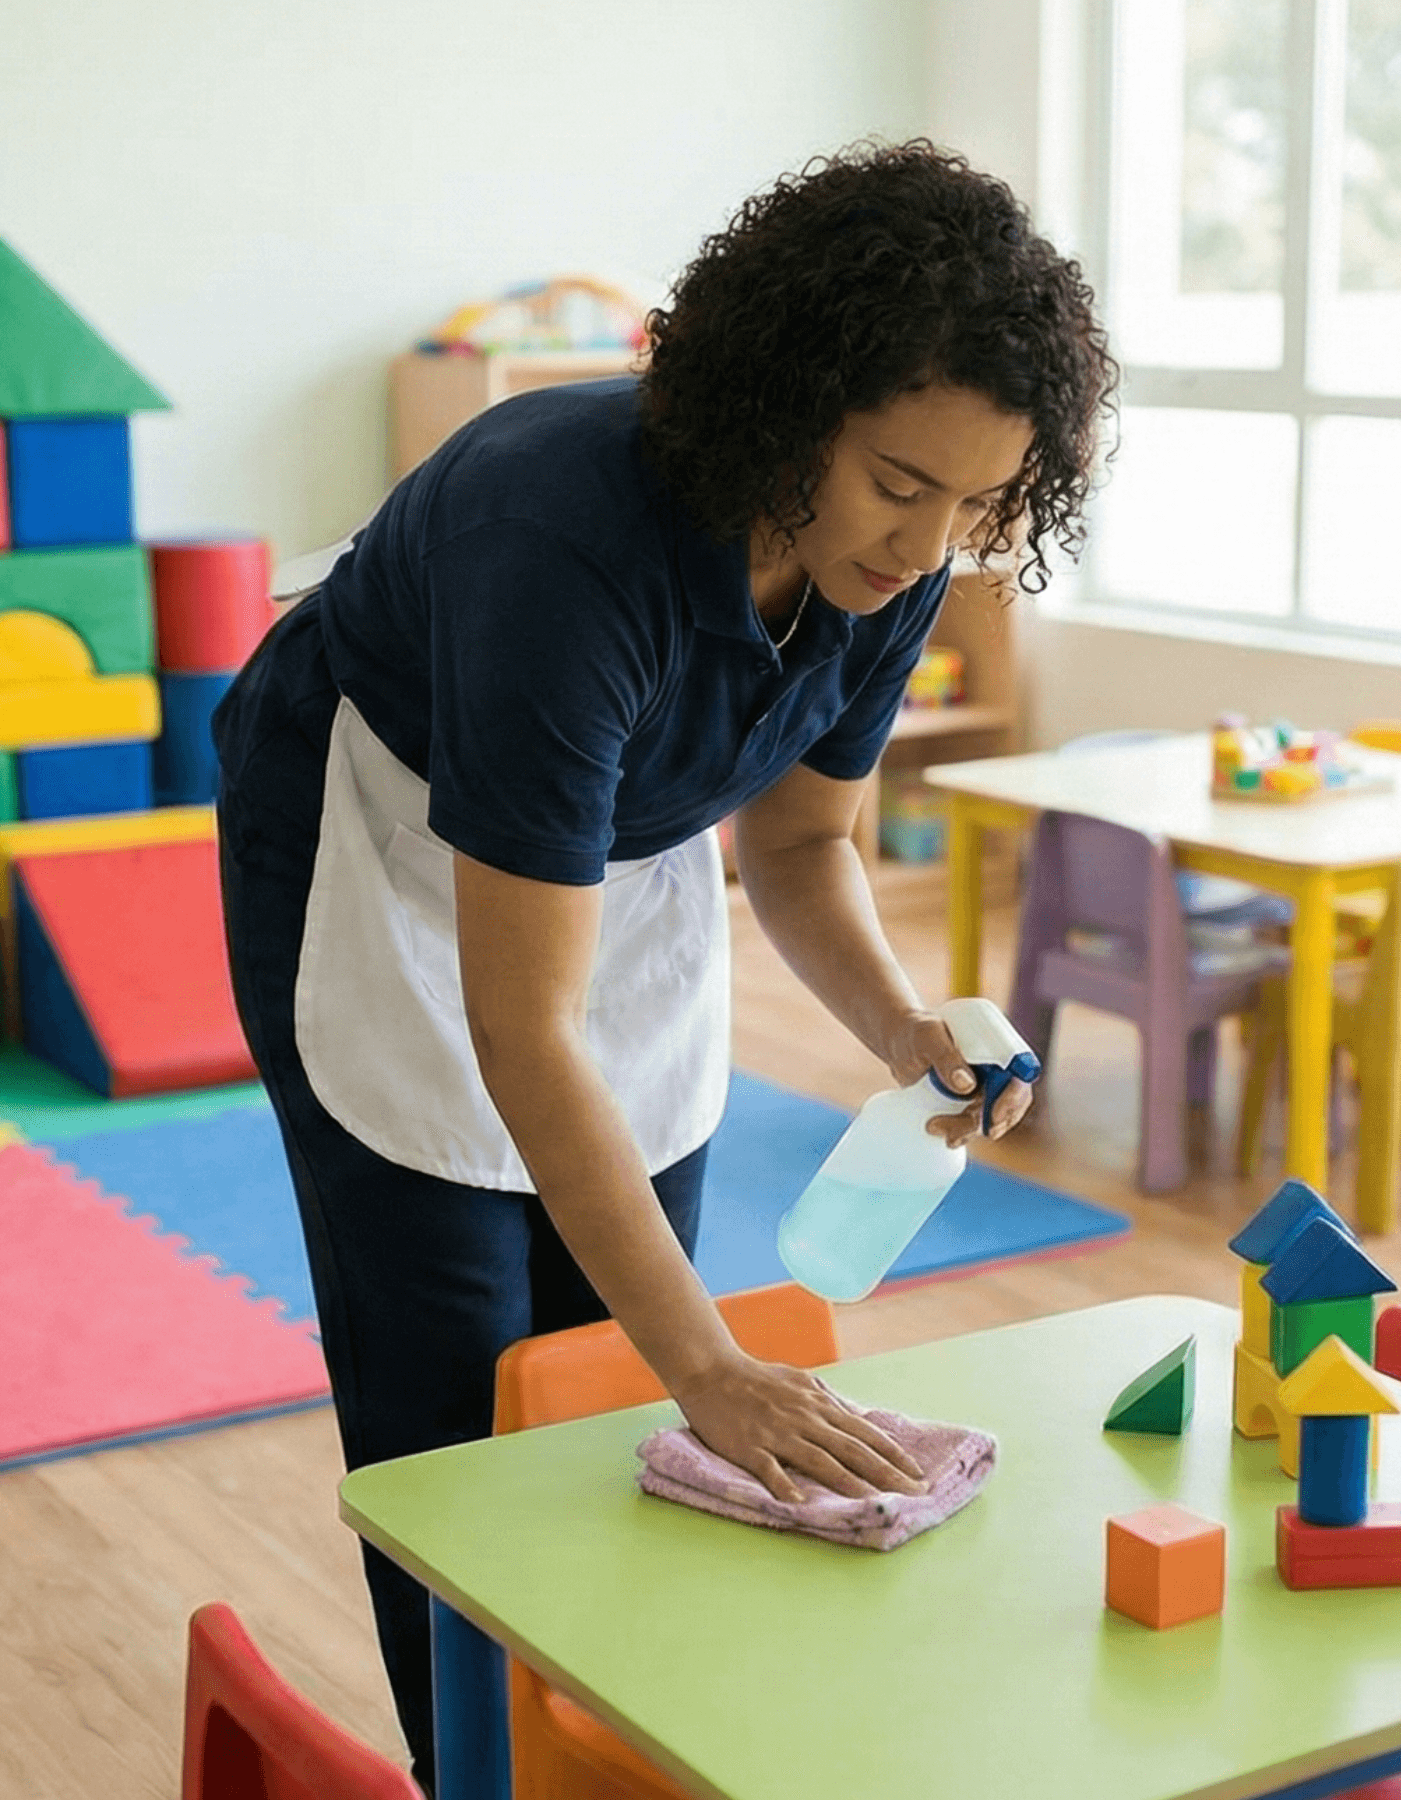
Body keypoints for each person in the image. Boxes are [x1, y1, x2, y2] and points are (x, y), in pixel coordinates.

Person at [213, 138, 1115, 1793]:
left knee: (617, 1366)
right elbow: (518, 1022)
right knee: (463, 1393)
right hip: (381, 845)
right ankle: (474, 1767)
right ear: (788, 406)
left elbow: (796, 846)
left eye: (981, 501)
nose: (930, 544)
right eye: (902, 484)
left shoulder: (886, 563)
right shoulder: (558, 540)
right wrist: (710, 1359)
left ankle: (621, 1755)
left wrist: (905, 1029)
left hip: (604, 861)